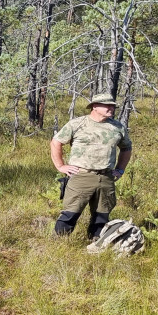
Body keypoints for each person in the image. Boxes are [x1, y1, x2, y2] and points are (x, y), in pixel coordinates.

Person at [50, 93, 133, 239]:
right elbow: (56, 142)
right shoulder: (78, 124)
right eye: (107, 105)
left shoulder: (117, 127)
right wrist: (61, 166)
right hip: (81, 176)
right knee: (70, 213)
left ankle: (96, 244)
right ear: (95, 106)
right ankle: (58, 243)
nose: (111, 108)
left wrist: (120, 169)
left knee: (102, 216)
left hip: (106, 177)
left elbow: (126, 148)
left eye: (112, 106)